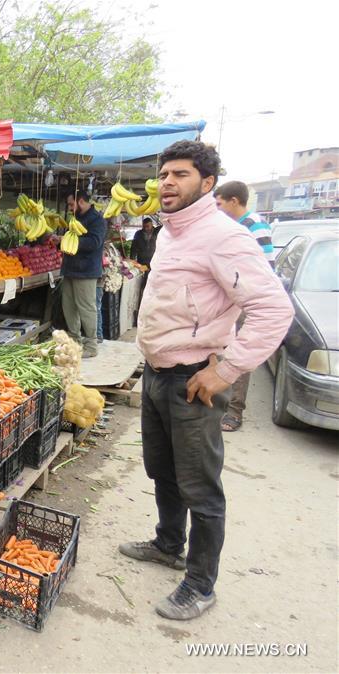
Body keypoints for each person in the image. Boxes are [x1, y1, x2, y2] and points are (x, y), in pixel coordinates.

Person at [121, 140, 292, 621]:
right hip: (157, 374)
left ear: (208, 183)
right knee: (163, 471)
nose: (168, 183)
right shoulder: (174, 233)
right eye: (165, 175)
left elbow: (273, 310)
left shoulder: (223, 236)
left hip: (192, 380)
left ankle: (200, 584)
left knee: (200, 486)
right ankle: (167, 544)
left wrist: (227, 369)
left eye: (180, 175)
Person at [213, 181, 277, 432]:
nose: (217, 209)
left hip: (243, 302)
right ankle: (219, 403)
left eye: (220, 204)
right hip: (226, 302)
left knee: (237, 356)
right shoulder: (228, 227)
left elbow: (265, 270)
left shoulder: (255, 226)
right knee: (220, 352)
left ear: (234, 201)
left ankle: (234, 411)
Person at [61, 190, 107, 358]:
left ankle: (91, 345)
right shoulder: (76, 219)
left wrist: (67, 241)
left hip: (86, 271)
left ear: (80, 202)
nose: (70, 207)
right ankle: (74, 341)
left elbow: (94, 242)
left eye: (71, 204)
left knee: (87, 308)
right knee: (69, 307)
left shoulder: (97, 220)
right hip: (70, 269)